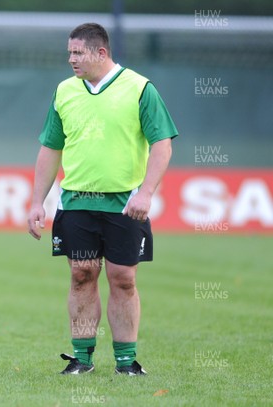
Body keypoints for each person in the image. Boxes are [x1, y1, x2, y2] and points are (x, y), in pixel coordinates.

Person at [27, 23, 178, 375]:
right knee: (82, 274)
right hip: (76, 202)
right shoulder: (64, 91)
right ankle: (82, 358)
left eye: (77, 53)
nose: (71, 59)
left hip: (124, 203)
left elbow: (162, 144)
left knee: (123, 277)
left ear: (101, 53)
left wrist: (146, 192)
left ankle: (126, 362)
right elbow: (51, 147)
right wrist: (37, 201)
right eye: (69, 53)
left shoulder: (140, 88)